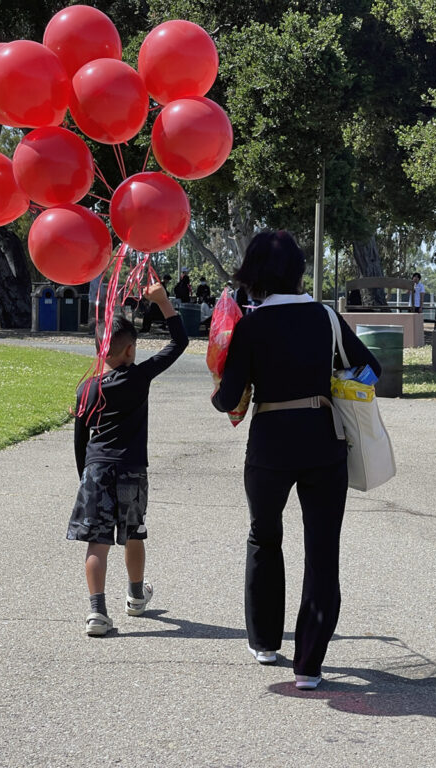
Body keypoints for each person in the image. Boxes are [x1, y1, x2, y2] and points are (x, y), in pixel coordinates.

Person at [212, 230, 381, 691]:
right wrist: (336, 381)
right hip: (324, 439)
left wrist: (223, 381)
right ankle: (309, 664)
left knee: (264, 538)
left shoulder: (250, 325)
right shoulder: (326, 317)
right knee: (322, 553)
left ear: (255, 273)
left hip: (268, 444)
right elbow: (371, 370)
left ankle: (265, 641)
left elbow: (227, 399)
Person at [67, 282, 188, 637]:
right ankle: (136, 596)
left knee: (97, 541)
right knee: (134, 532)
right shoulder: (138, 377)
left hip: (96, 470)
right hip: (132, 470)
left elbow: (80, 440)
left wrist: (85, 477)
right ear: (131, 350)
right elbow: (178, 343)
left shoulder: (85, 388)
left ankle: (97, 613)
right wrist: (163, 302)